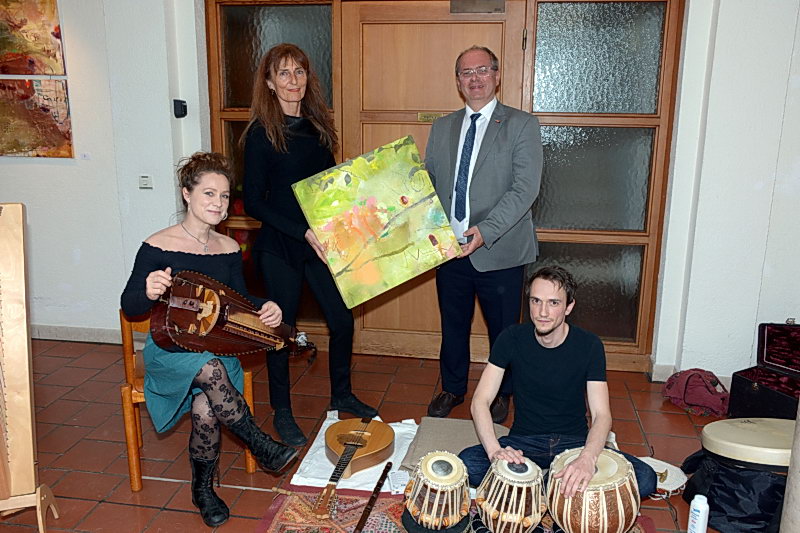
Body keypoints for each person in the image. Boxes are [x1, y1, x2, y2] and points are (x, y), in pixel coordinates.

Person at [120, 152, 298, 527]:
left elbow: (239, 302)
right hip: (169, 350)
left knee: (206, 405)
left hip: (215, 349)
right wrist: (148, 291)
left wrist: (267, 307)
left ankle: (202, 490)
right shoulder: (156, 246)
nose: (218, 203)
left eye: (224, 196)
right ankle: (259, 443)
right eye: (209, 193)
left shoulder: (227, 248)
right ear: (187, 194)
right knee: (210, 369)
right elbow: (130, 305)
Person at [242, 43, 377, 447]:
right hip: (280, 245)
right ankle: (282, 411)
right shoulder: (260, 135)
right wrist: (302, 231)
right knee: (281, 331)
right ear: (269, 82)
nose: (293, 80)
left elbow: (330, 190)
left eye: (299, 72)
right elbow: (255, 202)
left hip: (321, 243)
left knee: (342, 321)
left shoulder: (318, 129)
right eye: (283, 73)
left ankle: (342, 394)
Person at [458, 266, 657, 503]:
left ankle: (535, 487)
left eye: (553, 303)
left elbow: (601, 414)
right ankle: (553, 490)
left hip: (574, 443)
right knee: (467, 464)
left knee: (646, 478)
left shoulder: (589, 345)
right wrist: (495, 451)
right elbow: (480, 401)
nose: (542, 312)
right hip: (524, 442)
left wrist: (587, 458)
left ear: (569, 307)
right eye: (536, 301)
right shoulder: (511, 338)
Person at [425, 45, 542, 423]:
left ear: (496, 75)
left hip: (500, 249)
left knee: (504, 332)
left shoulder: (522, 125)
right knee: (452, 326)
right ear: (458, 81)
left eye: (482, 70)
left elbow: (525, 189)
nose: (474, 78)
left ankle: (502, 393)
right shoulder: (442, 127)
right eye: (466, 72)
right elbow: (428, 184)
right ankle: (452, 387)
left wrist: (486, 231)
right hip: (450, 250)